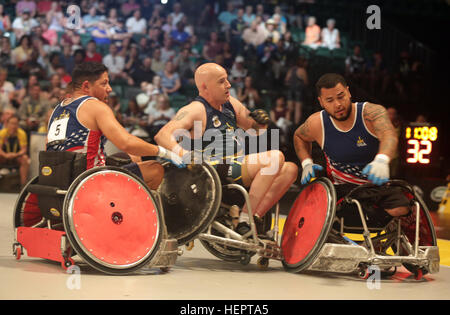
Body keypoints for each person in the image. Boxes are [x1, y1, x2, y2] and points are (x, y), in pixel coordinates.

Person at [155, 63, 298, 235]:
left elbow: (256, 129)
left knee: (290, 169)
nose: (228, 85)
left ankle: (255, 218)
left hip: (237, 165)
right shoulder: (195, 109)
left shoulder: (230, 104)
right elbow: (162, 136)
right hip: (214, 171)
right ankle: (245, 220)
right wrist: (185, 155)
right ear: (204, 87)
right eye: (222, 81)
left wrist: (261, 121)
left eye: (227, 80)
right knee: (274, 158)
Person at [46, 62, 183, 191]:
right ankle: (126, 213)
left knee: (133, 156)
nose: (109, 89)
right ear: (86, 86)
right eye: (104, 83)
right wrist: (164, 152)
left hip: (59, 179)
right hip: (89, 180)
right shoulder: (95, 106)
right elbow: (126, 142)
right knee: (154, 169)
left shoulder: (57, 110)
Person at [293, 73, 410, 219]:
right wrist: (306, 163)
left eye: (341, 96)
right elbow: (299, 136)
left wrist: (382, 159)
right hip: (340, 189)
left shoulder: (371, 112)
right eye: (330, 100)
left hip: (375, 186)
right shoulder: (317, 123)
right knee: (315, 206)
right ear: (321, 102)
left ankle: (374, 225)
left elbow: (389, 135)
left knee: (402, 208)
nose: (338, 104)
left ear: (348, 92)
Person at [0, 115, 30, 186]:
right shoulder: (2, 133)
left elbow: (24, 150)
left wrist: (15, 155)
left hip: (16, 157)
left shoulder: (21, 133)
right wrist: (5, 155)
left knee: (25, 159)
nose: (13, 126)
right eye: (11, 123)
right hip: (4, 157)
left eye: (15, 124)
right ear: (7, 124)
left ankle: (23, 185)